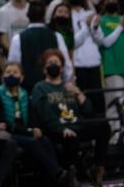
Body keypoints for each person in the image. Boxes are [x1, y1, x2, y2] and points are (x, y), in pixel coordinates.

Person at [30, 50, 109, 186]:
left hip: (77, 125)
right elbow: (45, 116)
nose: (53, 65)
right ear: (44, 69)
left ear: (62, 67)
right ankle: (72, 176)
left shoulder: (69, 86)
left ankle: (97, 167)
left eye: (56, 62)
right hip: (56, 129)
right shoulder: (40, 88)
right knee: (69, 138)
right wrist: (62, 129)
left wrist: (78, 93)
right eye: (49, 63)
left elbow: (89, 112)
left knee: (104, 126)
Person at [0, 63, 70, 187]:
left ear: (21, 78)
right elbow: (2, 123)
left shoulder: (24, 93)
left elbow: (32, 115)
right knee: (32, 141)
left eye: (15, 72)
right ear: (2, 76)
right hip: (9, 133)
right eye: (8, 72)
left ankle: (53, 179)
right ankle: (59, 174)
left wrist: (36, 128)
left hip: (26, 131)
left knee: (46, 141)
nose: (11, 74)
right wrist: (30, 131)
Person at [7, 1, 72, 91]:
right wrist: (65, 82)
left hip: (28, 90)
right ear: (44, 16)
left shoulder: (17, 38)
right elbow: (67, 66)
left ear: (28, 15)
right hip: (53, 90)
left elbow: (14, 67)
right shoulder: (56, 36)